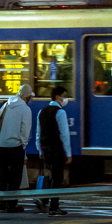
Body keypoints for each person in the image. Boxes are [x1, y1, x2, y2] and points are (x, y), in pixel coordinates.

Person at [0, 84, 35, 212]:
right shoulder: (25, 109)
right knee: (14, 177)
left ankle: (1, 203)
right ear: (28, 97)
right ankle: (11, 205)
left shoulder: (7, 104)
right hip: (15, 145)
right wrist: (23, 149)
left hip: (1, 145)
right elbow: (25, 131)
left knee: (2, 175)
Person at [36, 85, 72, 216]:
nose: (65, 98)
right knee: (57, 178)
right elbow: (64, 135)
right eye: (65, 95)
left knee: (51, 176)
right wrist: (68, 153)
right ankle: (54, 207)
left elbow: (38, 134)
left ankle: (45, 200)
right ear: (58, 96)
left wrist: (40, 150)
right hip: (57, 149)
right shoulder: (60, 112)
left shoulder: (42, 111)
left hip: (45, 149)